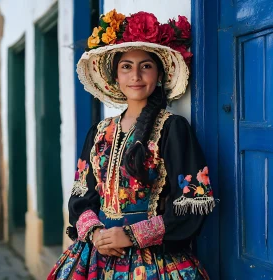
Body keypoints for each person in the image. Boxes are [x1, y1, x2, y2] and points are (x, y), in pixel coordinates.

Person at [48, 9, 215, 280]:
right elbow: (82, 196)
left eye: (145, 65)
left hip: (153, 258)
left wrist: (129, 236)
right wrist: (97, 233)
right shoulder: (98, 132)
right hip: (97, 252)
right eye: (126, 66)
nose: (135, 75)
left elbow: (193, 202)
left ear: (159, 74)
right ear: (116, 76)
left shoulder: (173, 128)